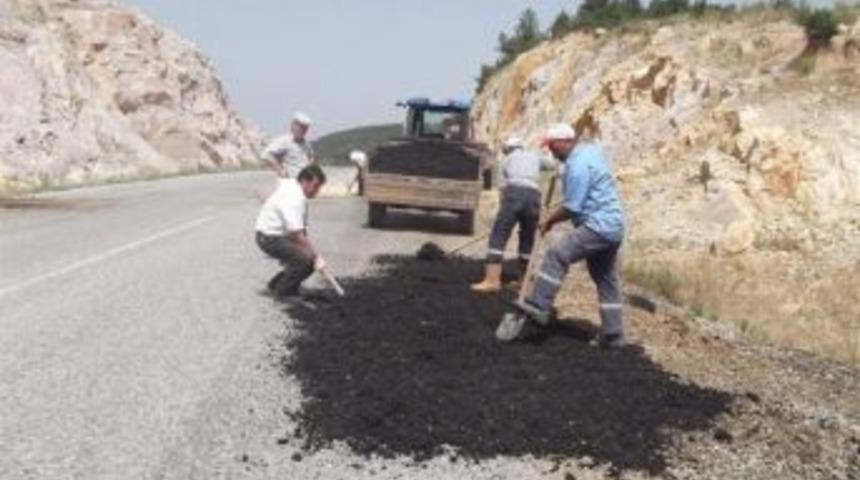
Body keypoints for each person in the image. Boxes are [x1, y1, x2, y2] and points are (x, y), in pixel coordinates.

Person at [502, 123, 627, 348]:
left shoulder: (577, 165)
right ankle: (613, 334)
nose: (551, 152)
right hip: (614, 226)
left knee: (557, 255)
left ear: (562, 143)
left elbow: (572, 208)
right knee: (605, 279)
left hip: (597, 226)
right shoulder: (590, 152)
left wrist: (549, 220)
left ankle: (539, 305)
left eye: (552, 147)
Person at [471, 136, 555, 293]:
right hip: (533, 196)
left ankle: (492, 281)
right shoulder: (534, 155)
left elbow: (502, 188)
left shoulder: (506, 160)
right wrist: (547, 151)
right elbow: (551, 166)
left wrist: (505, 212)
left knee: (499, 235)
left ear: (508, 149)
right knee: (527, 238)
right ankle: (523, 284)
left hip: (513, 194)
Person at [255, 164, 328, 299]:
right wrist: (317, 256)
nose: (317, 191)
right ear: (304, 181)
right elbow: (297, 234)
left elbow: (300, 231)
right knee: (305, 259)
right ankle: (283, 293)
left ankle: (275, 284)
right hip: (269, 237)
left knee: (307, 258)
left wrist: (311, 254)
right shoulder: (295, 198)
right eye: (315, 186)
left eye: (319, 187)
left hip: (278, 234)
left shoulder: (292, 185)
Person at [263, 112, 315, 178]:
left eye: (305, 128)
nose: (304, 130)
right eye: (301, 127)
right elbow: (266, 155)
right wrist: (280, 170)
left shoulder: (306, 144)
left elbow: (310, 158)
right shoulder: (284, 141)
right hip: (289, 182)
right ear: (293, 125)